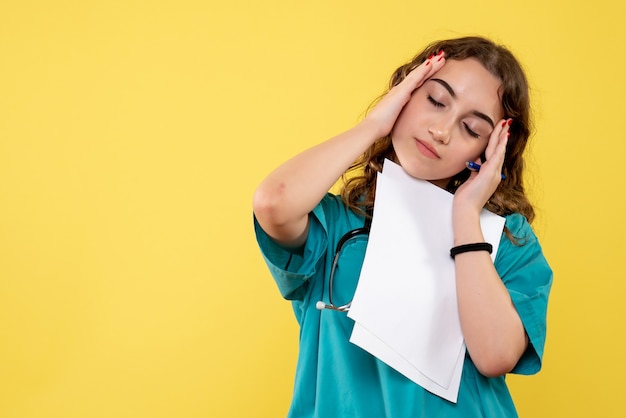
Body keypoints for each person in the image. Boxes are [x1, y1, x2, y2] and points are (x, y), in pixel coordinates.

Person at [252, 36, 553, 417]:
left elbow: (496, 355)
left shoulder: (507, 240)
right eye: (436, 101)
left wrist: (465, 216)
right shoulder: (335, 222)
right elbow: (272, 202)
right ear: (406, 92)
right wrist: (375, 123)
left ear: (488, 151)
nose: (441, 130)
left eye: (472, 129)